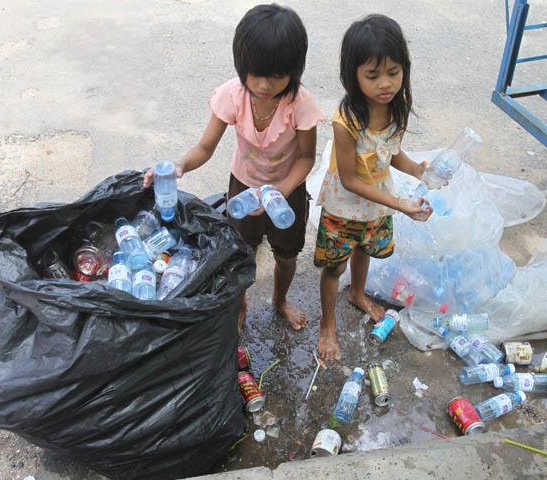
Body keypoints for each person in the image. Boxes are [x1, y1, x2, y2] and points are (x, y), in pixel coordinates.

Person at [144, 4, 323, 332]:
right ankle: (239, 305)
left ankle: (280, 300)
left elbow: (306, 158)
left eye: (276, 76)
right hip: (243, 187)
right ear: (242, 64)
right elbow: (204, 148)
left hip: (287, 192)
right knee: (240, 253)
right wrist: (180, 166)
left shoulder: (301, 104)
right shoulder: (233, 95)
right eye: (256, 74)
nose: (265, 85)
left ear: (294, 70)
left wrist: (280, 192)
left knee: (287, 254)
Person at [314, 14, 432, 361]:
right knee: (335, 266)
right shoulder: (346, 120)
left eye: (394, 72)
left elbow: (392, 154)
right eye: (373, 75)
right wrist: (399, 203)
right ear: (353, 75)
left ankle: (358, 292)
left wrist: (418, 170)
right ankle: (327, 323)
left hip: (375, 204)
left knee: (364, 247)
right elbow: (350, 180)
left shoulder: (395, 107)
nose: (386, 84)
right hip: (345, 204)